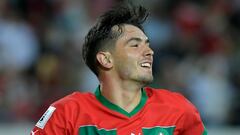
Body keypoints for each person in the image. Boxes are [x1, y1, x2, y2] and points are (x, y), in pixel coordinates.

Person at [30, 2, 207, 135]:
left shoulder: (178, 109)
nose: (149, 52)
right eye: (135, 45)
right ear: (106, 59)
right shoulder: (67, 114)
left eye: (148, 44)